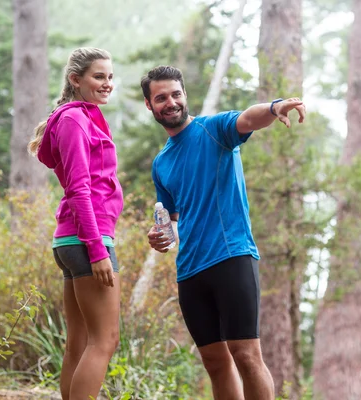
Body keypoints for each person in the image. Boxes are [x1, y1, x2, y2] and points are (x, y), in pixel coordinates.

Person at [144, 65, 306, 400]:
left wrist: (275, 107)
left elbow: (248, 118)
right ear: (150, 105)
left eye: (176, 94)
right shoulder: (161, 163)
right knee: (215, 363)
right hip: (190, 270)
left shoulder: (213, 129)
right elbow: (171, 220)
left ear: (184, 95)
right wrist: (162, 236)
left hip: (231, 256)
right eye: (161, 98)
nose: (170, 102)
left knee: (246, 355)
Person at [28, 47, 123, 400]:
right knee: (105, 340)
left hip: (74, 241)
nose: (107, 83)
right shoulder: (74, 120)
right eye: (99, 76)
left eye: (110, 77)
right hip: (87, 241)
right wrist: (98, 250)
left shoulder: (84, 117)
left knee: (80, 341)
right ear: (75, 80)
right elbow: (80, 188)